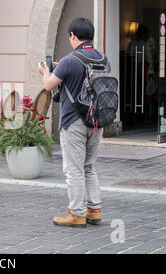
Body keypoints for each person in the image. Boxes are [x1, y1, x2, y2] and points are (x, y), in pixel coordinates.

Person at [38, 18, 108, 227]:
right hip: (96, 119)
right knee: (88, 166)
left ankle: (77, 213)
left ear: (73, 35)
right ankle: (94, 209)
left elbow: (49, 86)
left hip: (74, 120)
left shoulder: (70, 60)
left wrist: (46, 72)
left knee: (74, 169)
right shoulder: (103, 58)